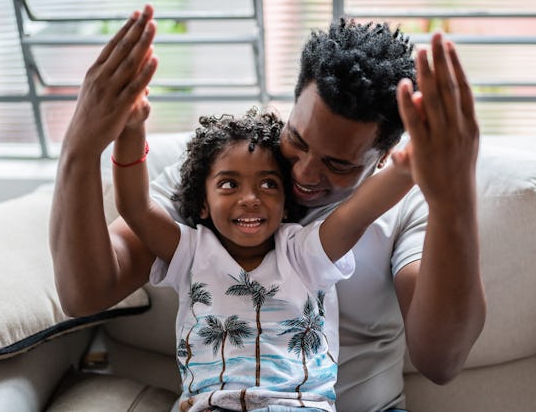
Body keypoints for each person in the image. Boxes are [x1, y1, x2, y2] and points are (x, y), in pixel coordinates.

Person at [49, 4, 486, 412]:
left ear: (385, 158)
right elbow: (85, 291)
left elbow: (440, 362)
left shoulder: (408, 203)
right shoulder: (231, 170)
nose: (305, 174)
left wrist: (457, 198)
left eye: (338, 164)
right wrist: (80, 148)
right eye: (296, 139)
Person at [112, 105, 414, 411]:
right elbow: (136, 207)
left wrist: (411, 163)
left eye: (268, 184)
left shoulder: (301, 252)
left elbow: (356, 214)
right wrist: (131, 130)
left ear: (285, 204)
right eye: (229, 184)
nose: (250, 199)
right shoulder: (190, 252)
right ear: (202, 203)